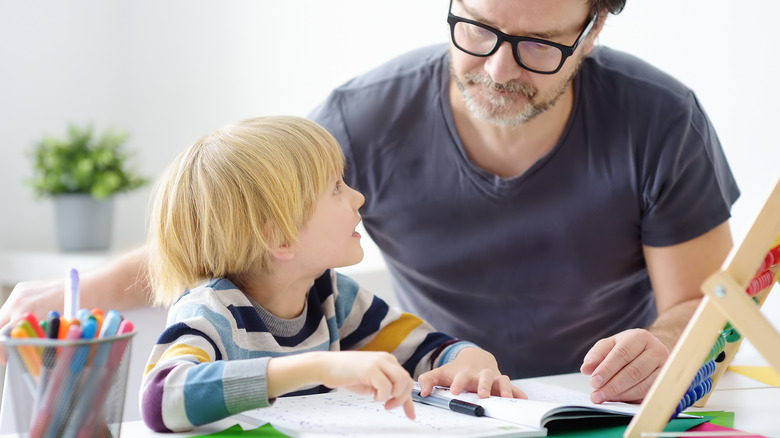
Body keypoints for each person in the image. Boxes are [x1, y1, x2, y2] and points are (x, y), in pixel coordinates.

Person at [1, 0, 739, 406]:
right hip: (445, 409)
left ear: (593, 28)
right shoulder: (364, 118)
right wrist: (85, 292)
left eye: (538, 45)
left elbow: (713, 312)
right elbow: (234, 224)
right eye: (476, 28)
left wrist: (670, 347)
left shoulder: (660, 120)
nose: (495, 66)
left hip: (594, 403)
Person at [138, 116, 522, 432]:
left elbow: (425, 350)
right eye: (336, 188)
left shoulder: (331, 295)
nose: (358, 197)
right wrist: (322, 367)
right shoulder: (213, 312)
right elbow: (160, 400)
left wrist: (469, 358)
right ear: (280, 237)